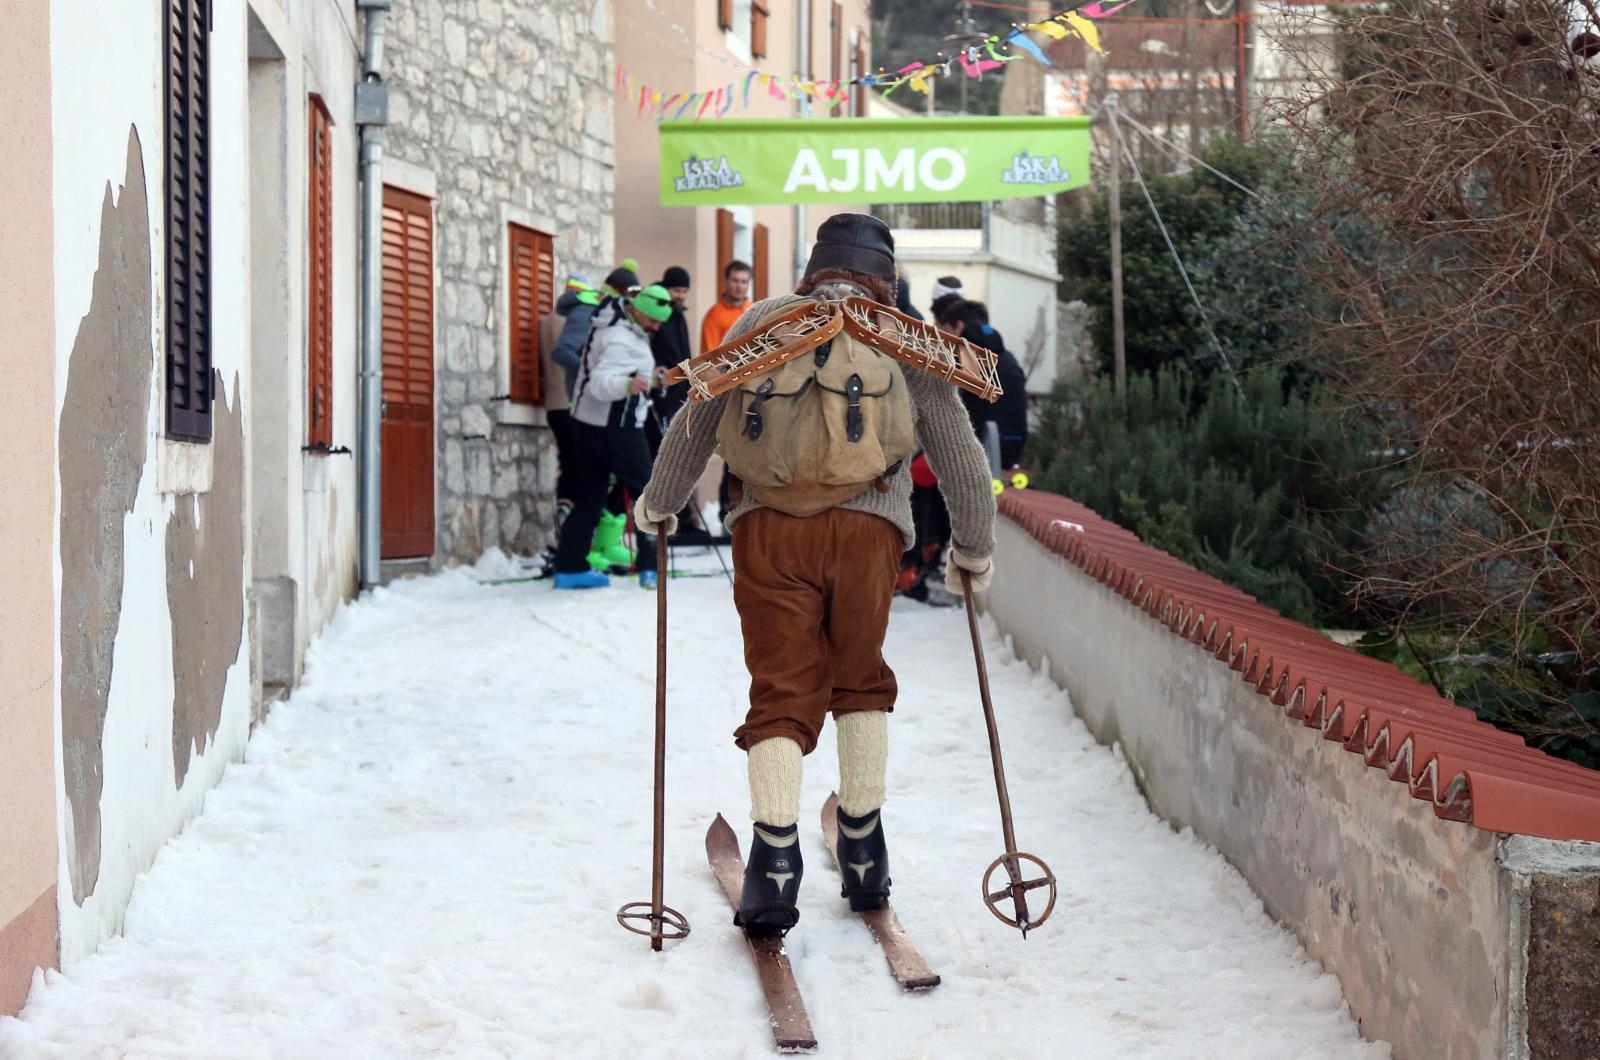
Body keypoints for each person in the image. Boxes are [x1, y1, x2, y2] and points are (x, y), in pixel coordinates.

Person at [635, 214, 996, 935]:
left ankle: (773, 861)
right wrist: (972, 549)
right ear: (885, 277)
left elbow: (697, 417)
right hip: (869, 531)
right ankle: (863, 847)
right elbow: (959, 452)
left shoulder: (763, 321)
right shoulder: (902, 334)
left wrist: (659, 502)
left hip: (769, 531)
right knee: (859, 677)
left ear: (813, 268)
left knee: (780, 689)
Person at [552, 284, 676, 590]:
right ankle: (650, 568)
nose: (656, 327)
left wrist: (647, 379)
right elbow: (600, 383)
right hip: (616, 426)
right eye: (654, 321)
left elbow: (615, 373)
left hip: (585, 420)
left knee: (591, 495)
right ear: (641, 311)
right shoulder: (620, 338)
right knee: (648, 491)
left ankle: (570, 567)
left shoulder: (612, 319)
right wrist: (627, 385)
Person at [539, 277, 601, 555]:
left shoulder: (545, 322)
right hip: (575, 403)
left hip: (552, 406)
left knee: (568, 466)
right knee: (584, 470)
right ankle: (574, 534)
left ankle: (564, 518)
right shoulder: (582, 318)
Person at [935, 298, 1030, 468]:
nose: (942, 341)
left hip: (978, 455)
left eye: (945, 332)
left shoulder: (963, 359)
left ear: (959, 326)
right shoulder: (1007, 357)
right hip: (1013, 451)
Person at [700, 259, 753, 354]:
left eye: (744, 282)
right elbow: (709, 355)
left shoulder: (753, 309)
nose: (739, 286)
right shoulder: (714, 314)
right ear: (726, 281)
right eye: (735, 281)